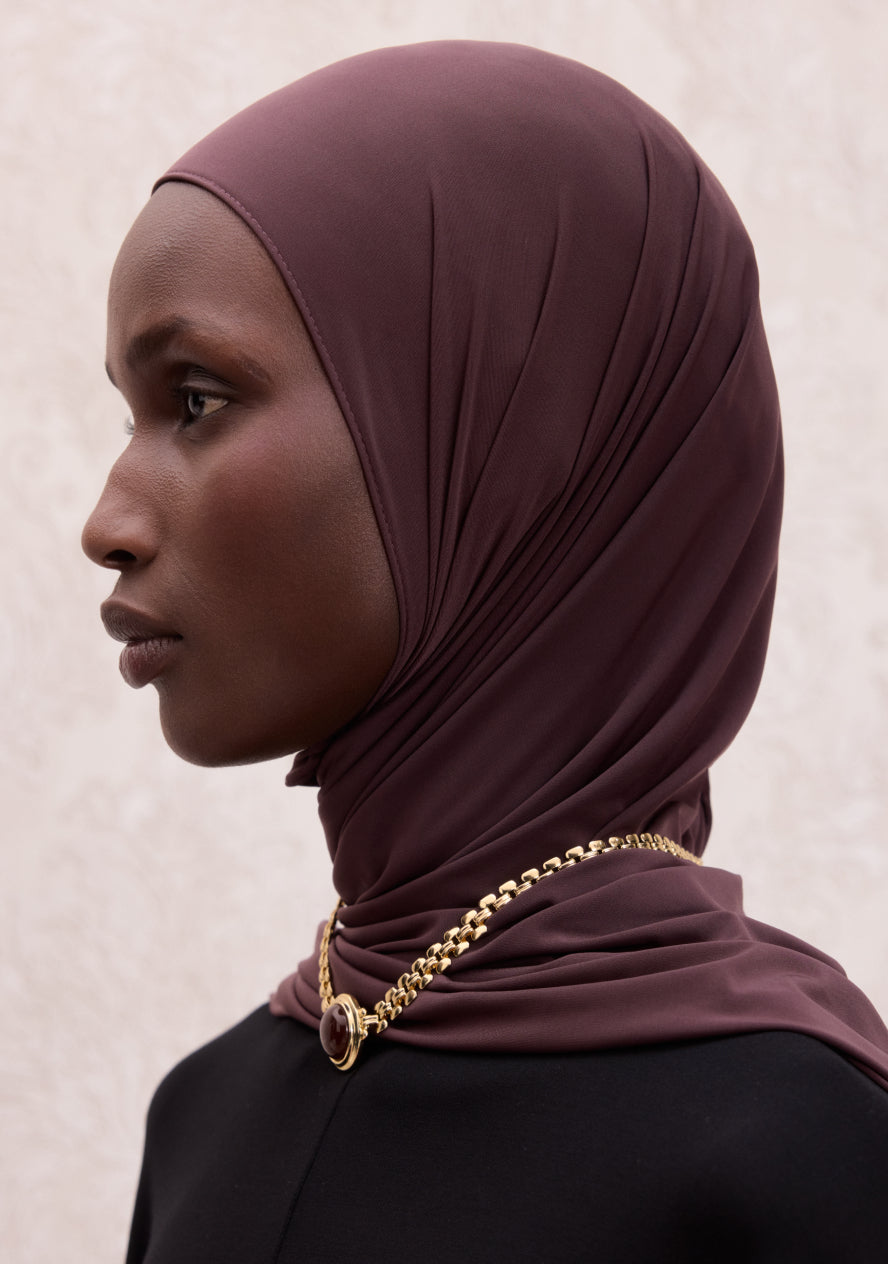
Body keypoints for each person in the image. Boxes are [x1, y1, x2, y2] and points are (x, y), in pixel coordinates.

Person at [82, 41, 888, 1264]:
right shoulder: (205, 1115)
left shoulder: (797, 1149)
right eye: (130, 414)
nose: (106, 522)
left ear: (517, 438)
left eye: (196, 399)